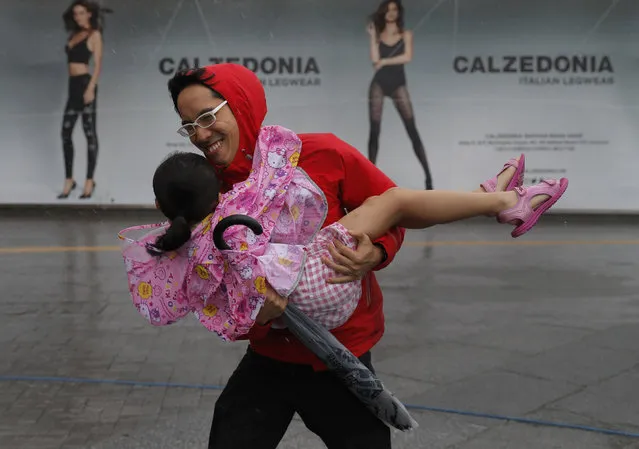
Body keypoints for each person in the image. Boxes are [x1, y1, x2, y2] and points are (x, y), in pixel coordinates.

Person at [162, 63, 562, 449]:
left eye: (208, 116)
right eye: (189, 125)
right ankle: (493, 196)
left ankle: (492, 197)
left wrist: (377, 252)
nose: (200, 135)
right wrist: (258, 320)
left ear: (240, 103)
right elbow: (213, 291)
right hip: (268, 357)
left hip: (340, 354)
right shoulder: (205, 193)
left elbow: (398, 214)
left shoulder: (321, 154)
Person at [119, 127, 567, 342]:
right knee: (389, 202)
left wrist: (257, 312)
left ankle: (487, 195)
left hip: (302, 303)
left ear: (162, 209)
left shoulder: (182, 253)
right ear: (219, 190)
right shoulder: (235, 213)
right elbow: (282, 191)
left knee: (391, 204)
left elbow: (218, 313)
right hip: (320, 279)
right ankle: (506, 203)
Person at [367, 0, 433, 190]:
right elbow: (374, 59)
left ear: (398, 12)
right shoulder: (378, 35)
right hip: (379, 84)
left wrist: (385, 61)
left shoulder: (406, 34)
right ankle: (369, 179)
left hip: (398, 84)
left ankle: (428, 178)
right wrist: (372, 37)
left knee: (412, 129)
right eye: (387, 10)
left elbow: (407, 57)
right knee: (374, 131)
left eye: (394, 9)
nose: (391, 13)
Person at [58, 1, 112, 199]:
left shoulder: (94, 35)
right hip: (72, 86)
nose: (78, 17)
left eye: (81, 13)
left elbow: (98, 65)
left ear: (89, 14)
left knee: (89, 133)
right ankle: (69, 179)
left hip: (85, 84)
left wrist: (91, 88)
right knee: (65, 132)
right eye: (75, 13)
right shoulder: (74, 35)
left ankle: (89, 180)